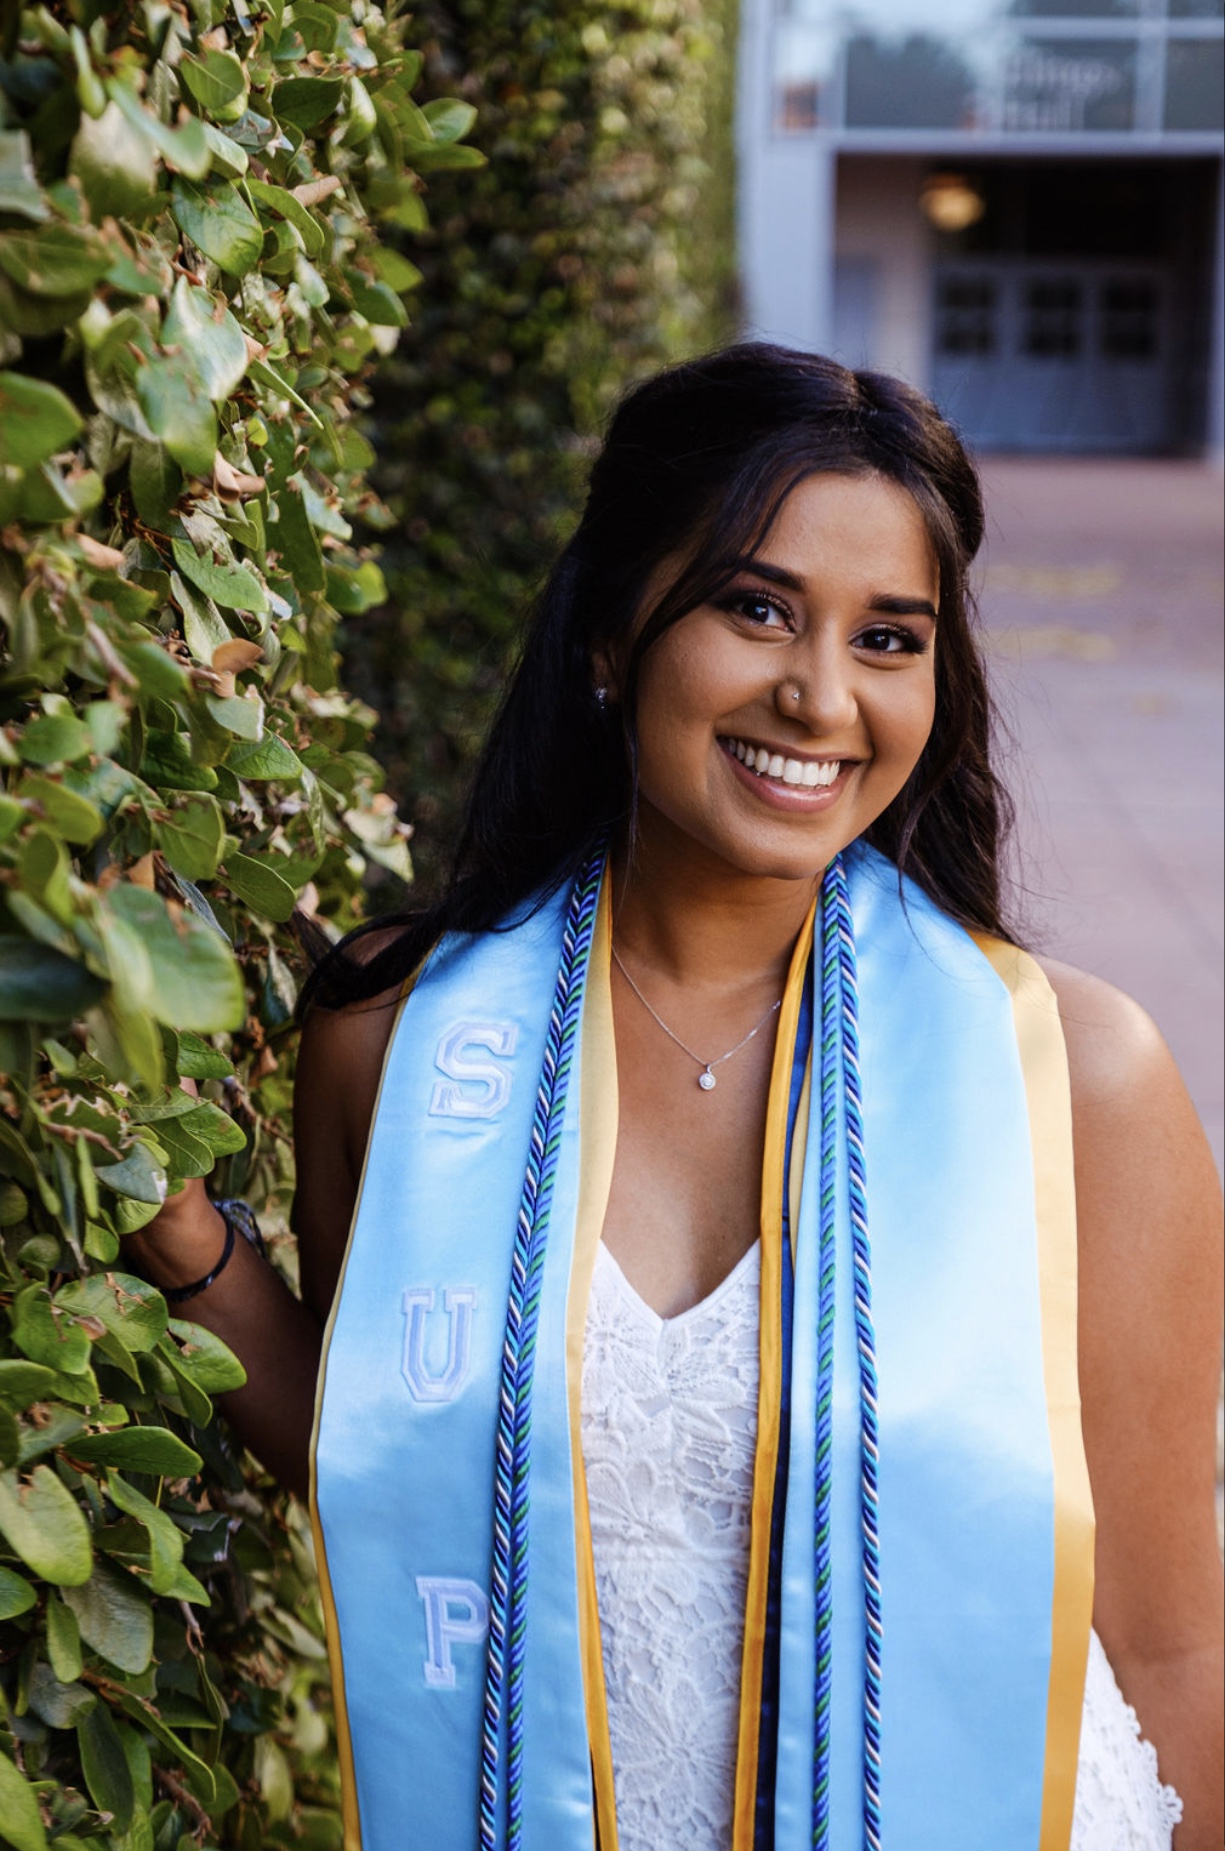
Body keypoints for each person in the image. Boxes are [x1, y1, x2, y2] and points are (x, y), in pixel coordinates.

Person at [130, 346, 1223, 1851]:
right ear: (608, 634)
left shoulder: (1074, 1079)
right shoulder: (404, 1034)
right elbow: (400, 1444)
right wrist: (176, 1236)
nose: (818, 694)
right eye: (755, 607)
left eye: (888, 637)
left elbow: (1171, 1644)